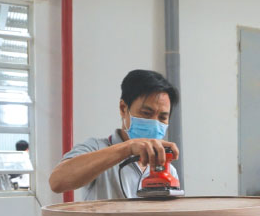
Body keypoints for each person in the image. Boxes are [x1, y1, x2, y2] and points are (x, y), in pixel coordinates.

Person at [49, 70, 180, 200]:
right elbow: (57, 181)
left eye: (162, 117)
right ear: (123, 108)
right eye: (146, 113)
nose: (155, 123)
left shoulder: (168, 169)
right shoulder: (96, 148)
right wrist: (128, 148)